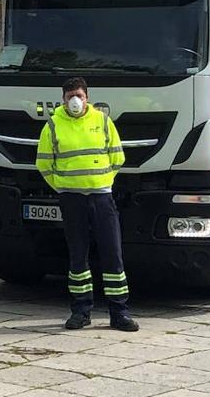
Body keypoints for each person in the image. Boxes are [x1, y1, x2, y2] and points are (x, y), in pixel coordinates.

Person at [35, 77, 138, 332]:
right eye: (70, 95)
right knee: (77, 256)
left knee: (112, 255)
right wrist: (62, 186)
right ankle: (81, 311)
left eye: (78, 95)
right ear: (63, 99)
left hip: (102, 197)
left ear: (87, 97)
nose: (74, 100)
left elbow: (117, 158)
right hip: (71, 199)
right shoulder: (53, 124)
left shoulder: (102, 121)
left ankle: (120, 312)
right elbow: (44, 163)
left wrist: (101, 182)